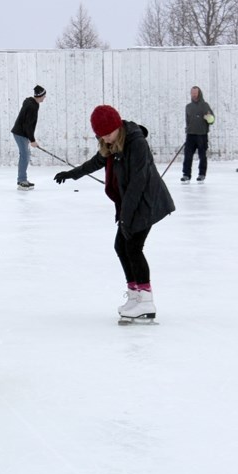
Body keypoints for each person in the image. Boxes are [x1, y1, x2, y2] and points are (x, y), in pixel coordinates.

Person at [53, 105, 175, 322]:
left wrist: (126, 218)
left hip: (146, 200)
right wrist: (72, 174)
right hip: (131, 201)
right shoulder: (111, 144)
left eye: (108, 134)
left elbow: (138, 183)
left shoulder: (136, 143)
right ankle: (136, 295)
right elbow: (96, 162)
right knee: (122, 246)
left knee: (133, 247)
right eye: (101, 135)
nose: (106, 139)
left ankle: (146, 301)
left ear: (117, 126)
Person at [10, 85, 47, 190]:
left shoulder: (32, 103)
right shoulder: (32, 106)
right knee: (24, 156)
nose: (45, 97)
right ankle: (21, 181)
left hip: (22, 133)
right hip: (20, 133)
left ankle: (23, 179)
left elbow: (28, 124)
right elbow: (28, 125)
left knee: (25, 155)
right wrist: (32, 140)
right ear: (40, 96)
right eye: (44, 96)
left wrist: (31, 138)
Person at [181, 86, 215, 183]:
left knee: (202, 156)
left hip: (202, 135)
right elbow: (187, 121)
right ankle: (186, 175)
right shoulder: (188, 107)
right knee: (187, 156)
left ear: (199, 93)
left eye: (195, 93)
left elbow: (212, 120)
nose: (194, 95)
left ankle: (202, 174)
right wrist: (187, 129)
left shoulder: (205, 106)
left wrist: (209, 118)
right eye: (192, 93)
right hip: (190, 135)